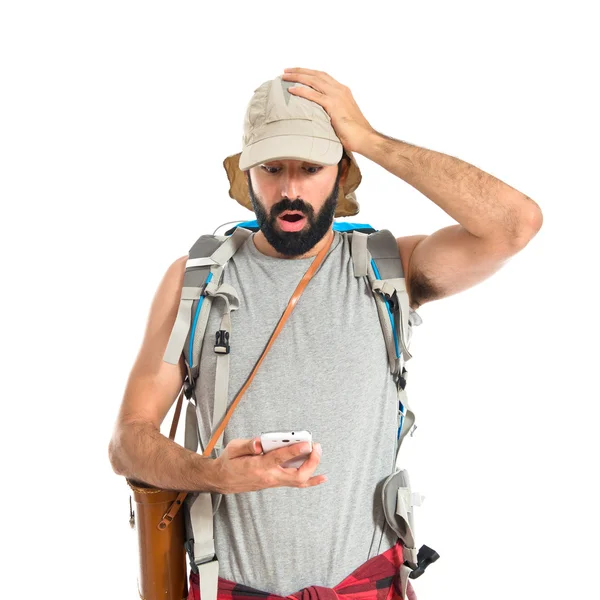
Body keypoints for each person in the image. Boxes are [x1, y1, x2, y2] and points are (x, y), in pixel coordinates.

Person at [108, 70, 543, 599]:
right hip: (230, 589)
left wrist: (371, 140)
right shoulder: (197, 280)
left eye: (311, 168)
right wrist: (213, 474)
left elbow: (514, 223)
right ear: (246, 175)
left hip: (367, 586)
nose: (290, 190)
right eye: (272, 169)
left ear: (342, 173)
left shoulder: (388, 270)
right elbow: (129, 441)